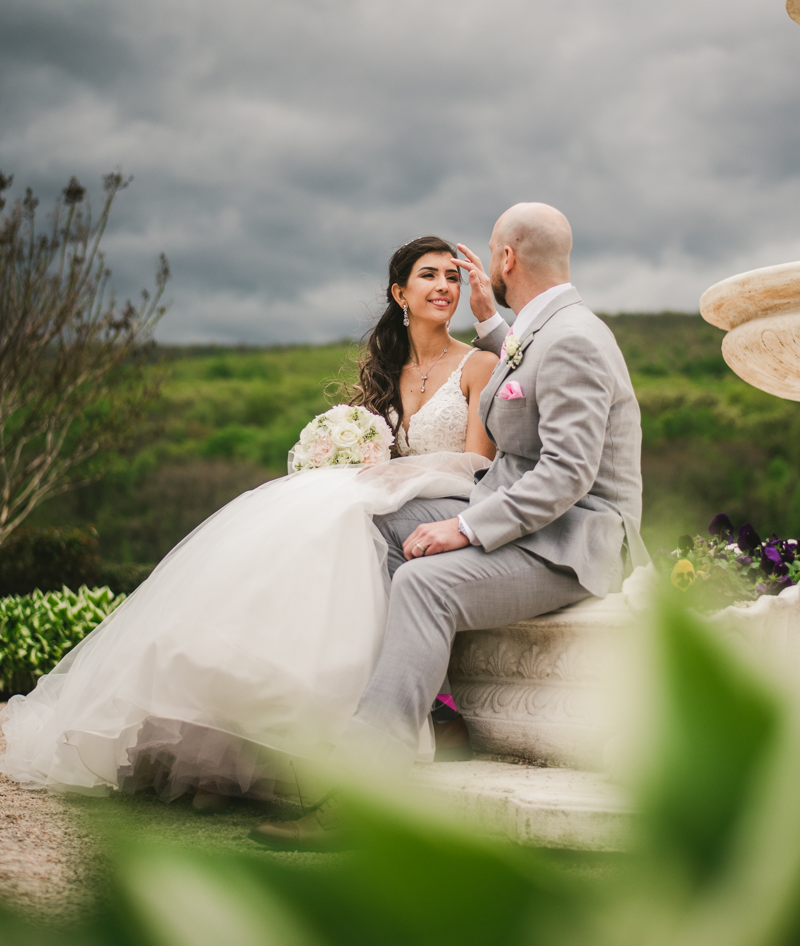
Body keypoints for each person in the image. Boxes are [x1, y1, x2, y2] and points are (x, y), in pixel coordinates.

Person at [0, 236, 497, 806]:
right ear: (399, 292)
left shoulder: (478, 362)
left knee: (331, 517)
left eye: (452, 278)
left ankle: (386, 722)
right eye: (429, 275)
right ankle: (225, 730)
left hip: (440, 503)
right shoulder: (388, 369)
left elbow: (478, 465)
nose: (443, 287)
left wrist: (395, 479)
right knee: (297, 522)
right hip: (379, 497)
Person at [251, 202, 649, 848]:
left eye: (488, 254)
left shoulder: (574, 337)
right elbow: (521, 371)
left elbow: (568, 476)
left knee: (422, 583)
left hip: (574, 539)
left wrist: (464, 528)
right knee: (370, 519)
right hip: (529, 516)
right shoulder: (546, 328)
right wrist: (490, 320)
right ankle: (404, 710)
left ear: (506, 257)